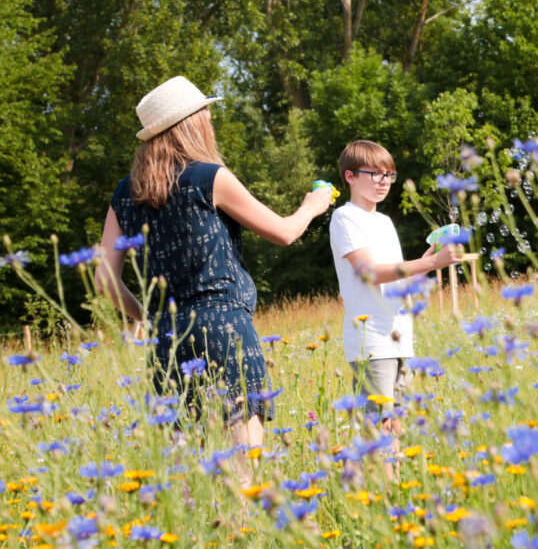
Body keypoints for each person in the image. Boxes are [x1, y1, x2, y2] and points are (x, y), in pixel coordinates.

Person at [96, 75, 333, 488]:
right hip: (224, 327)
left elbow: (103, 281)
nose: (210, 118)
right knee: (244, 473)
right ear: (191, 123)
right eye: (205, 113)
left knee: (183, 480)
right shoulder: (209, 177)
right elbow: (283, 232)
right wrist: (311, 207)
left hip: (166, 339)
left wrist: (149, 317)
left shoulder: (124, 193)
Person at [329, 140, 462, 437]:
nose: (384, 181)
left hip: (399, 334)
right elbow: (370, 273)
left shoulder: (386, 222)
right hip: (372, 339)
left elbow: (396, 281)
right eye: (374, 173)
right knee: (378, 425)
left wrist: (431, 261)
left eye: (389, 175)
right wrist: (427, 264)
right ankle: (380, 483)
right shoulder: (345, 217)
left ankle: (394, 483)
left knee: (397, 424)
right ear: (350, 176)